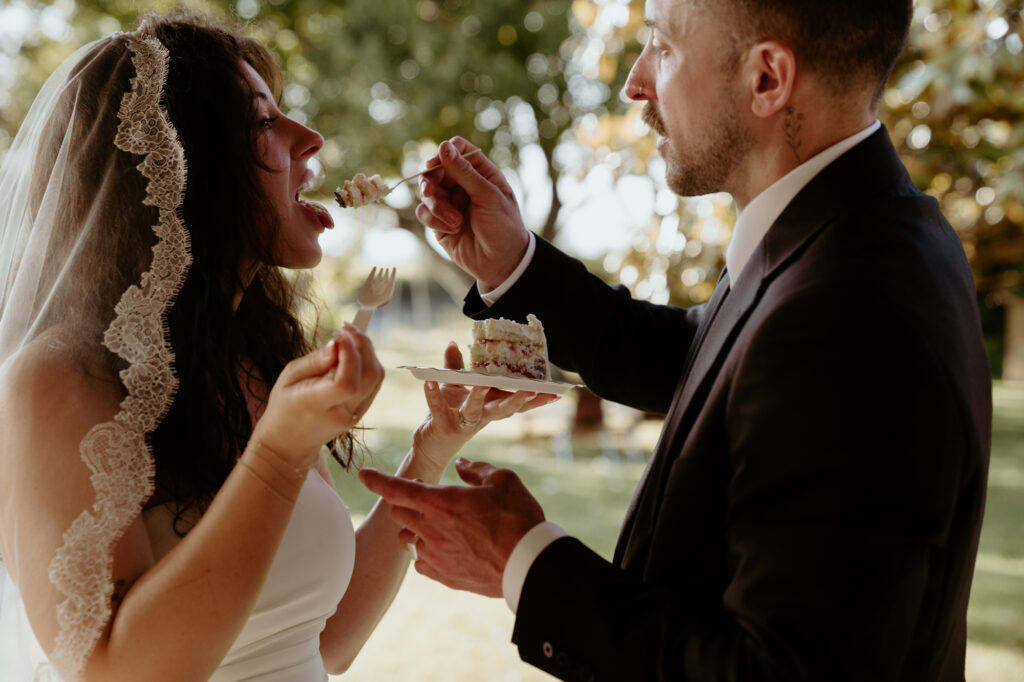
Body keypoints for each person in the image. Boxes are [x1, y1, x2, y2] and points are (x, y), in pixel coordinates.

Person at [359, 0, 993, 679]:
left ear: (767, 79)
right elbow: (709, 358)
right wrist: (512, 265)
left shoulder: (849, 313)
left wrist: (523, 559)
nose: (635, 82)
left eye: (661, 47)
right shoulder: (850, 232)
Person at [0, 14, 551, 682]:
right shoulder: (55, 379)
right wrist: (279, 452)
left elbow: (326, 640)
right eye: (264, 123)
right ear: (185, 164)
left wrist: (430, 448)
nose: (310, 136)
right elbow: (112, 671)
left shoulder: (255, 365)